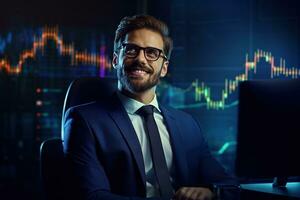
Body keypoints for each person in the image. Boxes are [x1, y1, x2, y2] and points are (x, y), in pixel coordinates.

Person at [63, 14, 237, 200]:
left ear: (164, 68)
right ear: (116, 60)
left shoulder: (187, 124)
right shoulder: (85, 121)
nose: (141, 59)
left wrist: (210, 192)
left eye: (152, 53)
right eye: (131, 50)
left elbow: (229, 186)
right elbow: (92, 196)